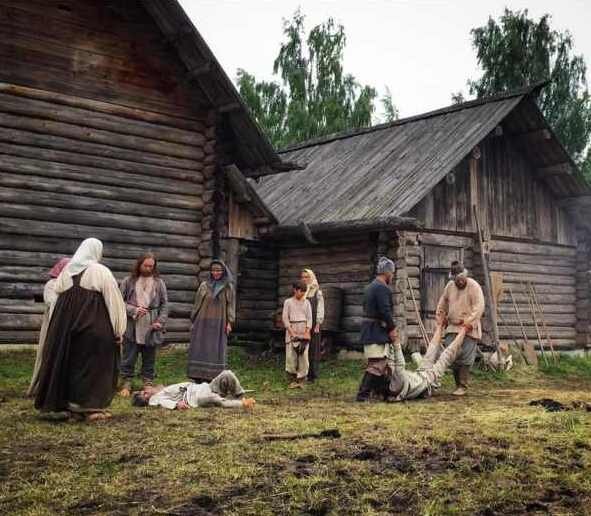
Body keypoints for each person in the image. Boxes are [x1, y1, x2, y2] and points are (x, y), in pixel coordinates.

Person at [34, 238, 126, 422]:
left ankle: (73, 408)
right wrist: (118, 329)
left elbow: (58, 299)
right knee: (95, 365)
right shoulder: (99, 271)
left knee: (72, 364)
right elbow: (113, 300)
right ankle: (90, 409)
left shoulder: (66, 273)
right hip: (93, 325)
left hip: (66, 328)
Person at [119, 253, 169, 397]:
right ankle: (127, 382)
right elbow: (118, 302)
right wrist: (133, 309)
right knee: (129, 354)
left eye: (151, 266)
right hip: (132, 324)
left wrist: (160, 321)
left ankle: (148, 382)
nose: (148, 268)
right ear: (139, 264)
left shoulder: (159, 283)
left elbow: (164, 305)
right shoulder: (128, 281)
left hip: (151, 324)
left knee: (149, 356)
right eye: (146, 265)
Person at [435, 261, 485, 396]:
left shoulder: (474, 286)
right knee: (452, 356)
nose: (460, 282)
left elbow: (479, 306)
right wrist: (441, 315)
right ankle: (457, 384)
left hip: (468, 327)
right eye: (457, 280)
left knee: (466, 357)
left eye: (461, 279)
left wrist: (470, 322)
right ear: (453, 279)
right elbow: (443, 302)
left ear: (465, 276)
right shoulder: (450, 286)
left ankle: (463, 385)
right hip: (453, 326)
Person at [385, 325, 469, 401]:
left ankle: (440, 325)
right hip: (427, 382)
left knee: (431, 349)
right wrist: (396, 341)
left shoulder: (391, 379)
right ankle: (464, 330)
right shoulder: (396, 383)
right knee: (445, 357)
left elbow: (392, 360)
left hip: (419, 374)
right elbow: (399, 363)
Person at [27, 257, 70, 397]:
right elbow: (53, 303)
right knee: (48, 353)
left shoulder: (69, 285)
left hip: (66, 324)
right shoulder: (52, 284)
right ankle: (42, 386)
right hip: (53, 323)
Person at [356, 257, 397, 402]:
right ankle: (363, 394)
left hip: (371, 328)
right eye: (392, 273)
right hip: (375, 329)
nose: (392, 276)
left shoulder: (370, 287)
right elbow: (385, 311)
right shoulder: (381, 288)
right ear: (387, 273)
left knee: (381, 363)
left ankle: (382, 393)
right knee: (377, 364)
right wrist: (392, 328)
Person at [188, 259, 235, 382]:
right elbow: (197, 303)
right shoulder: (204, 285)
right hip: (202, 321)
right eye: (213, 270)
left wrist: (230, 322)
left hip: (219, 322)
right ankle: (198, 376)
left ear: (223, 271)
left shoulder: (228, 287)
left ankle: (215, 376)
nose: (216, 273)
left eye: (218, 270)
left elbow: (230, 305)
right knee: (200, 346)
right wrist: (193, 320)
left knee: (216, 348)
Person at [131, 370, 255, 410]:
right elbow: (162, 402)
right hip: (195, 398)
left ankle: (239, 395)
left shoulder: (160, 390)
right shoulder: (154, 399)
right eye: (144, 392)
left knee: (226, 374)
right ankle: (242, 403)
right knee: (214, 399)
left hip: (205, 387)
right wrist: (176, 404)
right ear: (146, 396)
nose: (146, 389)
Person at [282, 280, 313, 389]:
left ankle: (302, 379)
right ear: (295, 290)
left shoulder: (307, 303)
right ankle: (292, 379)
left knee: (303, 356)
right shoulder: (288, 302)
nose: (302, 294)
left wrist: (306, 332)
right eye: (300, 291)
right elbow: (285, 318)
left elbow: (309, 319)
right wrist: (292, 332)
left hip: (303, 328)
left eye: (304, 292)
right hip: (292, 328)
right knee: (291, 355)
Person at [301, 268, 325, 382]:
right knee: (302, 347)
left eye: (307, 277)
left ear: (311, 277)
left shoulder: (317, 291)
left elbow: (320, 308)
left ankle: (312, 374)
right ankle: (301, 372)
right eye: (303, 277)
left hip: (314, 323)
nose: (305, 279)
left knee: (313, 348)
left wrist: (318, 323)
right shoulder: (301, 291)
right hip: (302, 322)